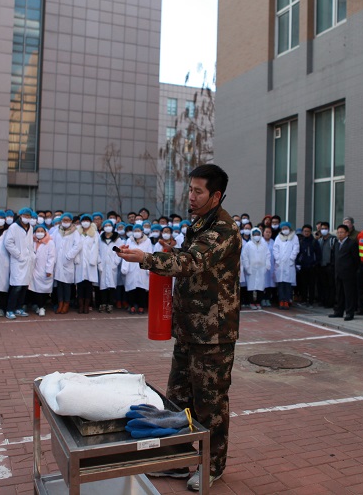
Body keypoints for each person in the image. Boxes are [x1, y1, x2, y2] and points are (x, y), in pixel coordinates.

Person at [117, 164, 240, 491]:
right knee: (177, 400)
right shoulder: (199, 224)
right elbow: (185, 257)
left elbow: (192, 262)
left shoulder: (223, 229)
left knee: (210, 403)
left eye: (199, 191)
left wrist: (147, 258)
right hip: (189, 329)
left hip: (213, 334)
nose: (192, 196)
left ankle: (212, 466)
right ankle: (176, 460)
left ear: (215, 195)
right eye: (190, 190)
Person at [5, 208, 35, 319]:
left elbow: (30, 243)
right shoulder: (14, 227)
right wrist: (19, 255)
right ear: (20, 215)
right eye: (25, 215)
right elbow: (8, 243)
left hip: (28, 261)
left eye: (29, 216)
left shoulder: (30, 228)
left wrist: (32, 255)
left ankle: (18, 308)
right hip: (18, 261)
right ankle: (10, 309)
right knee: (16, 287)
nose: (27, 218)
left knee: (24, 286)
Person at [329, 224, 359, 320]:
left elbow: (356, 259)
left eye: (342, 232)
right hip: (338, 272)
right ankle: (338, 311)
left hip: (349, 273)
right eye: (338, 232)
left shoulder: (352, 243)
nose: (339, 234)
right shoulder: (336, 243)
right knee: (339, 293)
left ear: (347, 233)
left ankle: (349, 313)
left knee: (349, 294)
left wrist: (352, 270)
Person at [120, 223, 151, 314]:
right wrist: (125, 267)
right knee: (131, 288)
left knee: (142, 288)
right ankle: (132, 306)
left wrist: (149, 268)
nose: (137, 232)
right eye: (135, 231)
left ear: (142, 232)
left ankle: (141, 307)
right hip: (131, 266)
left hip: (142, 267)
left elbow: (149, 254)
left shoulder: (147, 241)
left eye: (138, 231)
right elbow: (126, 253)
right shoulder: (129, 240)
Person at [53, 214, 79, 314]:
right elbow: (52, 242)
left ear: (71, 221)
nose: (65, 221)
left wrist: (69, 256)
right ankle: (60, 303)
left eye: (68, 220)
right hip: (58, 261)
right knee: (59, 284)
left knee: (67, 285)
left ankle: (66, 303)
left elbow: (78, 245)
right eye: (64, 220)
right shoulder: (57, 231)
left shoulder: (75, 232)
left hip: (68, 261)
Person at [74, 214, 99, 314]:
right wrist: (76, 258)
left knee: (88, 285)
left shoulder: (94, 233)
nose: (85, 222)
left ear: (90, 222)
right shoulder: (77, 232)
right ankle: (80, 305)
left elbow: (96, 247)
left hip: (90, 262)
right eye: (83, 220)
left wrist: (92, 260)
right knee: (79, 285)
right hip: (79, 261)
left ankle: (87, 305)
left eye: (87, 220)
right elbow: (75, 245)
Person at [29, 224, 56, 317]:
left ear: (45, 232)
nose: (39, 233)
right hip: (34, 269)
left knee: (43, 290)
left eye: (42, 231)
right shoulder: (32, 241)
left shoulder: (50, 242)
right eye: (38, 231)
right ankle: (37, 306)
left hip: (44, 269)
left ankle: (42, 307)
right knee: (35, 289)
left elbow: (51, 257)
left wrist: (49, 270)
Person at [97, 219, 121, 313]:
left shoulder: (117, 239)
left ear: (112, 227)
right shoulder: (100, 238)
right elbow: (97, 251)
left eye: (109, 225)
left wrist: (115, 262)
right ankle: (103, 303)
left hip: (112, 265)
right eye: (106, 225)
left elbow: (119, 251)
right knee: (103, 285)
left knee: (111, 285)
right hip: (103, 264)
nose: (108, 227)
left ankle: (110, 304)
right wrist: (99, 262)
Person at [273, 221, 299, 308]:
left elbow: (296, 248)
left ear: (289, 228)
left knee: (288, 284)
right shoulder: (278, 238)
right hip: (280, 264)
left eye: (286, 228)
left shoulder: (294, 237)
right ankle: (281, 300)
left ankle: (287, 301)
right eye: (283, 228)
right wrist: (277, 259)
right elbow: (275, 249)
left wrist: (292, 258)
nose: (285, 230)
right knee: (281, 284)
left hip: (289, 263)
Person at [242, 227, 269, 310]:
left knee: (260, 287)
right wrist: (247, 267)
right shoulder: (248, 245)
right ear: (252, 235)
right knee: (251, 287)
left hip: (261, 268)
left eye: (258, 234)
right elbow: (244, 256)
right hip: (251, 268)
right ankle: (251, 302)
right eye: (255, 234)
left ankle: (258, 302)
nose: (256, 236)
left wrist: (267, 266)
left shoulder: (264, 245)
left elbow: (268, 255)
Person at [295, 224, 320, 306]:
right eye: (305, 231)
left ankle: (311, 301)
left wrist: (315, 263)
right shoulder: (301, 241)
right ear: (302, 232)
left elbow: (318, 254)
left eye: (308, 231)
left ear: (311, 232)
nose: (306, 233)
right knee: (303, 284)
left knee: (311, 285)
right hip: (303, 266)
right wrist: (298, 263)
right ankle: (304, 300)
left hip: (312, 266)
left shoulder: (314, 242)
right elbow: (298, 253)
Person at [316, 221, 335, 307]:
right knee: (322, 285)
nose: (323, 230)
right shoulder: (320, 240)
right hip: (321, 265)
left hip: (329, 265)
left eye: (325, 228)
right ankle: (323, 300)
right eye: (322, 229)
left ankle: (330, 302)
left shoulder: (333, 239)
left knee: (330, 285)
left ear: (328, 229)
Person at [261, 226, 276, 307]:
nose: (268, 234)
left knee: (270, 283)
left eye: (269, 232)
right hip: (262, 265)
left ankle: (268, 299)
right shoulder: (260, 241)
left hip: (272, 265)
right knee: (263, 283)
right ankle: (262, 299)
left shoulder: (273, 242)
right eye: (266, 232)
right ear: (263, 233)